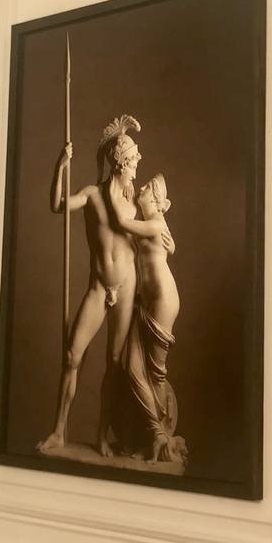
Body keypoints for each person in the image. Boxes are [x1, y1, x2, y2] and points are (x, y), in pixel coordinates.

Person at [38, 115, 157, 457]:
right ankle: (59, 431)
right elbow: (58, 206)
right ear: (119, 162)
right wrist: (61, 166)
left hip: (127, 287)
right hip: (99, 287)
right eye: (133, 160)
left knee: (115, 363)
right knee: (72, 356)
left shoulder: (135, 203)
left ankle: (102, 435)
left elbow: (154, 237)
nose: (137, 165)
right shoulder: (93, 195)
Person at [112, 174, 183, 463]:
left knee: (156, 373)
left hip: (164, 301)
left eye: (146, 188)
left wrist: (114, 189)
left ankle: (161, 436)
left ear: (154, 199)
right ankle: (154, 434)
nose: (140, 188)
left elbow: (121, 222)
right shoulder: (153, 224)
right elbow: (165, 245)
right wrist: (172, 246)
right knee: (132, 367)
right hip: (145, 301)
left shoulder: (154, 223)